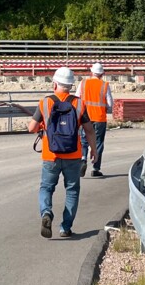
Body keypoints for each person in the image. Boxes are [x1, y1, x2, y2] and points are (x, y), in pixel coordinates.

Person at [29, 67, 98, 239]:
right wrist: (94, 150)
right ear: (71, 85)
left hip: (51, 155)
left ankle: (46, 212)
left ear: (54, 83)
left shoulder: (45, 103)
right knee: (72, 191)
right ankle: (65, 228)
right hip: (73, 156)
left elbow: (32, 128)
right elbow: (89, 130)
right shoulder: (80, 103)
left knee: (46, 187)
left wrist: (41, 126)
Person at [76, 62, 113, 178]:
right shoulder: (105, 85)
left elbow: (76, 99)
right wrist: (104, 108)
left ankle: (82, 159)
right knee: (98, 143)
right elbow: (110, 104)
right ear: (102, 74)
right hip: (100, 119)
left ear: (91, 72)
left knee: (83, 141)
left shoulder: (83, 83)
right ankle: (95, 168)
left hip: (85, 118)